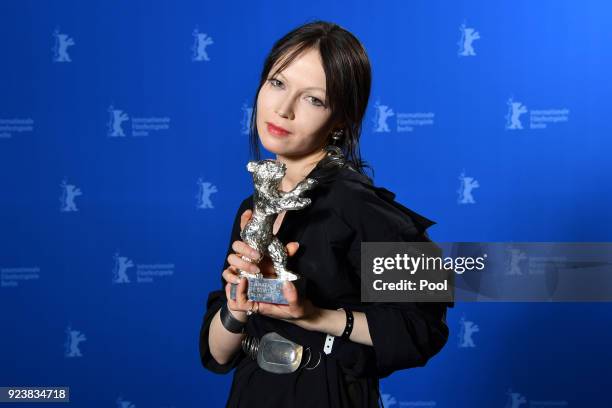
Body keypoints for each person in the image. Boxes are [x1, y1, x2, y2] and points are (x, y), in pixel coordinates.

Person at [199, 20, 453, 408]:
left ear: (341, 120)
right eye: (277, 83)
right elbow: (218, 354)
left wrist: (315, 316)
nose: (282, 109)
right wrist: (236, 305)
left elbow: (422, 328)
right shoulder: (254, 208)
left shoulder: (357, 206)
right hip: (252, 393)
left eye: (313, 99)